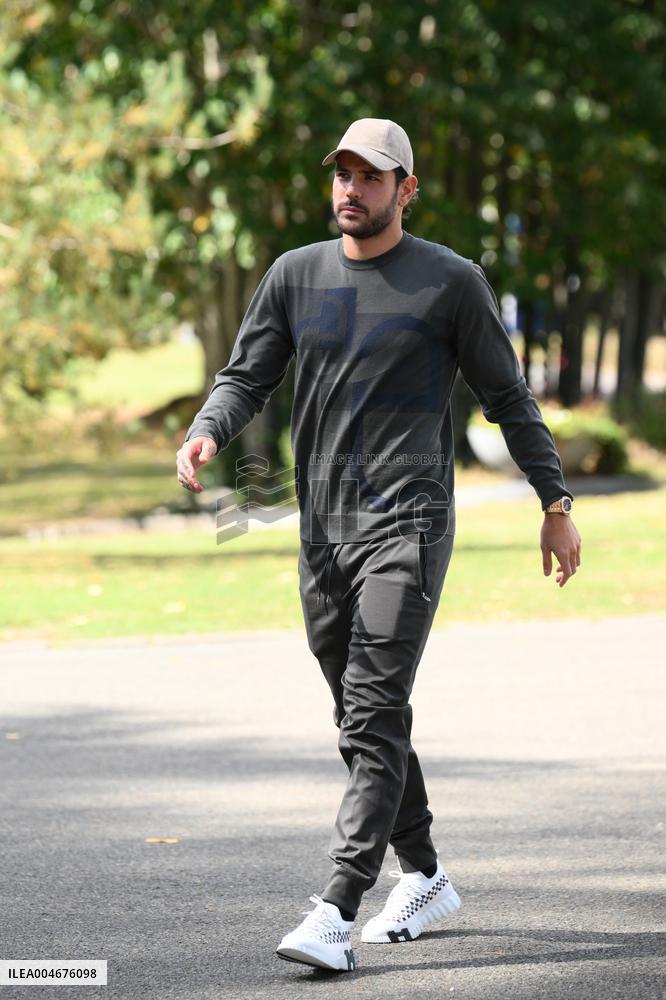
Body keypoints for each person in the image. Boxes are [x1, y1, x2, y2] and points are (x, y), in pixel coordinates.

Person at [176, 118, 582, 973]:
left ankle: (337, 905)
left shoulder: (449, 283)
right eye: (343, 174)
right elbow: (249, 373)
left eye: (371, 176)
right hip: (323, 531)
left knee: (371, 705)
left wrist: (555, 499)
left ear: (406, 189)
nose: (351, 189)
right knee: (367, 718)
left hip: (411, 523)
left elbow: (509, 400)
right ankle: (426, 874)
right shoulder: (297, 276)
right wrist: (211, 430)